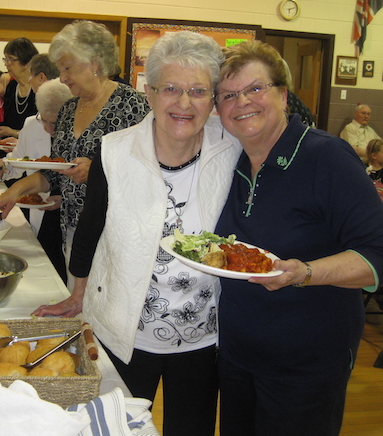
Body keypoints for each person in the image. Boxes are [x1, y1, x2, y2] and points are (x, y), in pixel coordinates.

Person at [32, 31, 242, 436]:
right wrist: (78, 294)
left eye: (198, 91)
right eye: (171, 89)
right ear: (150, 93)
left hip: (204, 339)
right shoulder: (114, 151)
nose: (184, 103)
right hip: (125, 332)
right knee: (117, 427)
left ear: (213, 98)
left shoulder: (231, 150)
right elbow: (90, 229)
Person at [213, 40, 383, 436]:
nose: (242, 102)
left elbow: (377, 253)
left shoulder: (326, 157)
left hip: (307, 360)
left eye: (255, 88)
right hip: (238, 354)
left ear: (284, 95)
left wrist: (305, 272)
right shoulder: (230, 161)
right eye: (228, 95)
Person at [0, 20, 149, 290]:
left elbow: (149, 173)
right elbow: (54, 172)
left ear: (94, 63)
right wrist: (12, 192)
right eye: (60, 69)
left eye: (67, 68)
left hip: (114, 235)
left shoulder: (132, 105)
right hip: (72, 230)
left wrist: (97, 172)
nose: (62, 78)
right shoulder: (69, 108)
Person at [0, 78, 72, 282]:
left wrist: (65, 199)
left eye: (54, 123)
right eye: (44, 120)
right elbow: (19, 159)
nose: (48, 128)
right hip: (41, 209)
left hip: (70, 215)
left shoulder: (81, 130)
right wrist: (3, 167)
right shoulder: (32, 125)